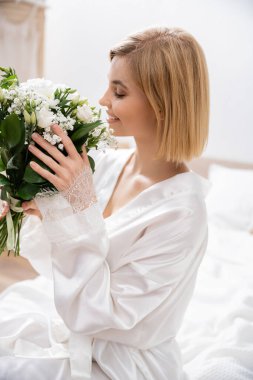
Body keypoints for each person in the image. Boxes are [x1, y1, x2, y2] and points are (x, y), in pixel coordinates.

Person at [0, 26, 211, 379]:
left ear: (163, 102)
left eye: (119, 92)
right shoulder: (111, 165)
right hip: (69, 324)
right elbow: (62, 265)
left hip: (121, 362)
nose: (102, 102)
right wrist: (39, 212)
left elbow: (100, 314)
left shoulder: (182, 213)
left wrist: (77, 209)